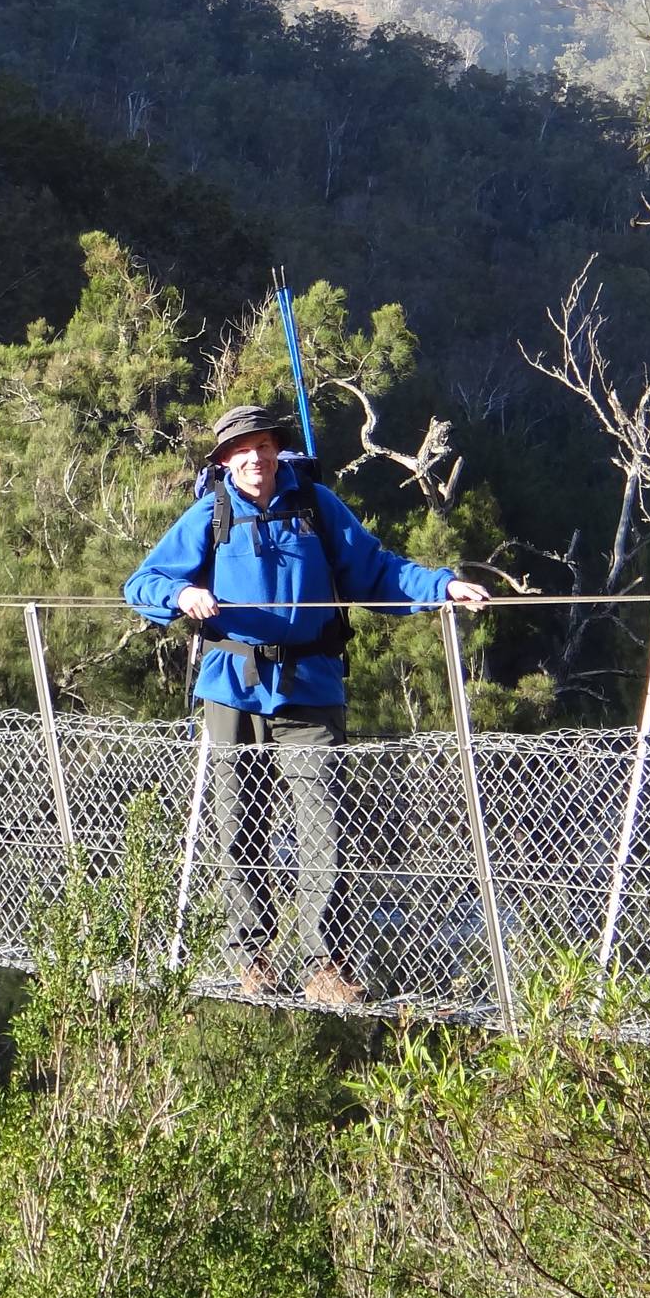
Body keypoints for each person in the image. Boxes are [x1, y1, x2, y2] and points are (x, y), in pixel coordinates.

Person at [125, 402, 489, 1006]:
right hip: (232, 688)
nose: (255, 458)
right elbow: (142, 584)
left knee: (325, 829)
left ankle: (327, 965)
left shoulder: (317, 506)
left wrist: (442, 586)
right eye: (242, 450)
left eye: (264, 446)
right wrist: (182, 593)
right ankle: (252, 957)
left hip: (311, 688)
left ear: (277, 450)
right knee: (237, 826)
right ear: (225, 461)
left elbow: (377, 571)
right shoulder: (209, 514)